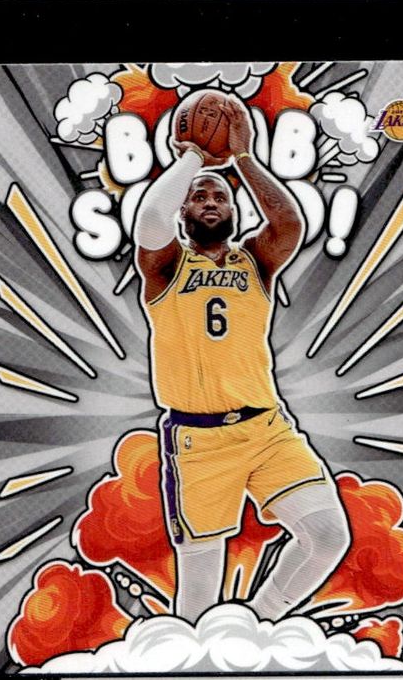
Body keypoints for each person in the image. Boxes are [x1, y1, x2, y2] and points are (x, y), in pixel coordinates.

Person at [134, 95, 350, 623]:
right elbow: (150, 222)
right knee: (198, 598)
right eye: (199, 197)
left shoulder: (256, 260)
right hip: (198, 441)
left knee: (328, 536)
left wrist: (244, 159)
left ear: (235, 212)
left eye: (221, 197)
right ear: (184, 211)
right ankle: (202, 655)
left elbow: (290, 224)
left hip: (267, 429)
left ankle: (259, 624)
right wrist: (194, 156)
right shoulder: (165, 267)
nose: (211, 201)